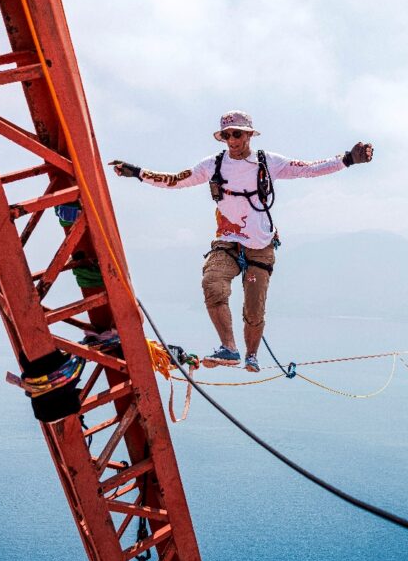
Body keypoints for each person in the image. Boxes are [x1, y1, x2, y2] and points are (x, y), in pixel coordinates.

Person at [111, 110, 373, 372]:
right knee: (212, 283)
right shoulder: (212, 165)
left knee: (254, 310)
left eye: (236, 133)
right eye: (226, 135)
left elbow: (309, 169)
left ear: (248, 134)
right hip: (228, 241)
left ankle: (252, 355)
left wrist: (348, 159)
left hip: (260, 246)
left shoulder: (267, 161)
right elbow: (175, 180)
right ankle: (229, 348)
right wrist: (138, 173)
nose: (231, 139)